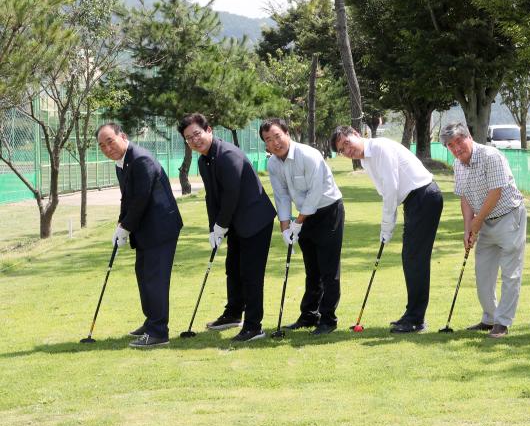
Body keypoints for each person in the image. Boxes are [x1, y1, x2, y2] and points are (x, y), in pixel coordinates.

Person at [329, 126, 443, 333]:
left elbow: (391, 188)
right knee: (410, 258)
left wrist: (387, 226)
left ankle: (416, 319)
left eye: (347, 143)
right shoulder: (366, 159)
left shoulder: (380, 148)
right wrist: (387, 225)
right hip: (415, 200)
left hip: (424, 196)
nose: (347, 151)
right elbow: (386, 192)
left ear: (356, 133)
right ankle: (413, 315)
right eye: (342, 150)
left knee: (414, 259)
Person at [178, 113, 276, 342]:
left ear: (209, 130)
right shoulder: (204, 161)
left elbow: (231, 195)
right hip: (236, 223)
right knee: (233, 269)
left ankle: (254, 326)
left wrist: (221, 225)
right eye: (189, 138)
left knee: (251, 274)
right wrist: (214, 228)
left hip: (255, 221)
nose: (194, 140)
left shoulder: (228, 155)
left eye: (197, 134)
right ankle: (233, 314)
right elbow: (212, 197)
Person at [96, 122, 183, 348]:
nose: (107, 148)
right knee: (143, 275)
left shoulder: (141, 159)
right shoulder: (121, 163)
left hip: (161, 228)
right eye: (102, 145)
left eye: (110, 141)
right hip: (146, 229)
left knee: (155, 279)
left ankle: (158, 333)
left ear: (122, 136)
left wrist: (125, 227)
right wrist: (120, 223)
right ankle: (151, 321)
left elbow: (142, 199)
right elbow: (128, 198)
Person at [440, 122, 526, 339]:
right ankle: (490, 318)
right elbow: (465, 198)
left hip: (509, 216)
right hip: (484, 220)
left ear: (468, 136)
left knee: (510, 273)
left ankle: (503, 323)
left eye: (459, 141)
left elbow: (495, 192)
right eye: (451, 145)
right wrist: (468, 229)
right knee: (483, 274)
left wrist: (476, 224)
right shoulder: (459, 165)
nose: (456, 148)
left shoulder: (491, 156)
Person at [262, 118, 344, 335]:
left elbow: (316, 193)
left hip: (328, 211)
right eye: (269, 140)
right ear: (266, 145)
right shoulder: (272, 164)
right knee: (312, 269)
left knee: (329, 269)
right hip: (304, 216)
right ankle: (309, 315)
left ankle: (328, 319)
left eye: (277, 136)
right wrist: (285, 228)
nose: (275, 142)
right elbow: (281, 196)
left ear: (287, 133)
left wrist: (297, 223)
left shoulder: (308, 155)